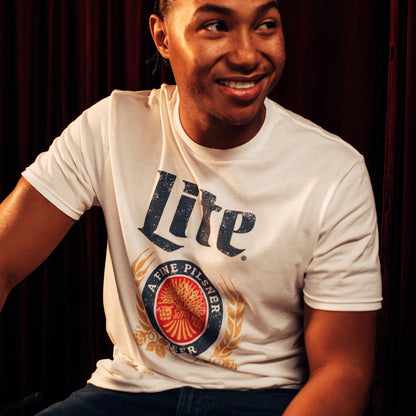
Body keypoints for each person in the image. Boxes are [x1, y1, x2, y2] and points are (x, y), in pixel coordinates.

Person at [0, 0, 382, 415]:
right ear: (162, 36)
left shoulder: (334, 171)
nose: (247, 55)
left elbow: (342, 370)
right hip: (127, 393)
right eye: (216, 26)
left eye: (265, 25)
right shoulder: (111, 126)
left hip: (263, 400)